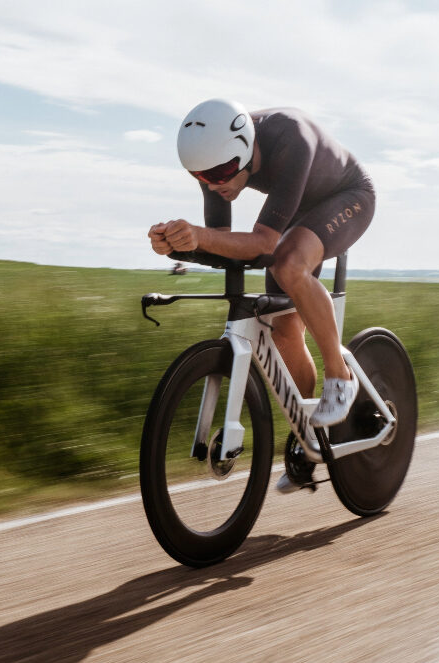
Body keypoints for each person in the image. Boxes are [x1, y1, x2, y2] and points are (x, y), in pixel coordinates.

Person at [148, 99, 375, 492]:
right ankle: (307, 436)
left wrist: (201, 237)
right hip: (301, 210)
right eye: (199, 177)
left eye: (220, 173)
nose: (214, 185)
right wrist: (179, 245)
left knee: (287, 265)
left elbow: (263, 242)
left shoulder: (290, 138)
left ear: (245, 147)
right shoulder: (218, 161)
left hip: (348, 197)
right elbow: (222, 248)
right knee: (284, 330)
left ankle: (340, 375)